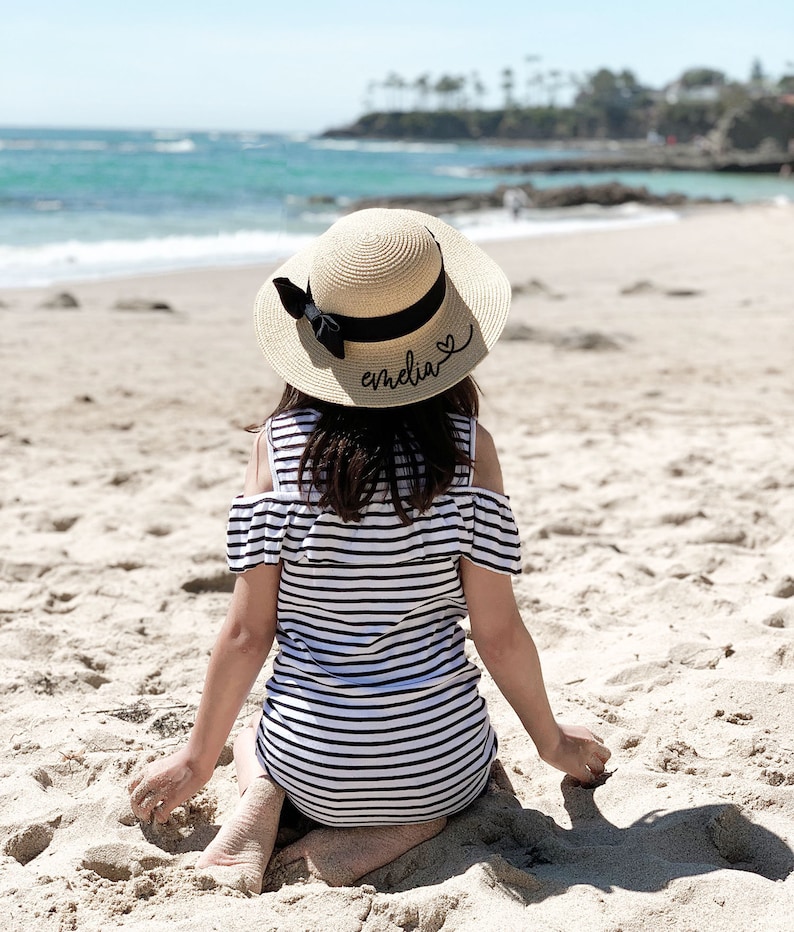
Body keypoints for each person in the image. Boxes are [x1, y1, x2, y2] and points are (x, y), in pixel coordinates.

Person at [129, 208, 611, 893]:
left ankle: (262, 795)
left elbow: (245, 632)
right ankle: (411, 824)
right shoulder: (472, 453)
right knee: (469, 774)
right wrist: (554, 743)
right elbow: (498, 634)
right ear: (444, 339)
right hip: (437, 764)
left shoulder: (275, 449)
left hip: (311, 764)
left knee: (255, 736)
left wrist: (194, 760)